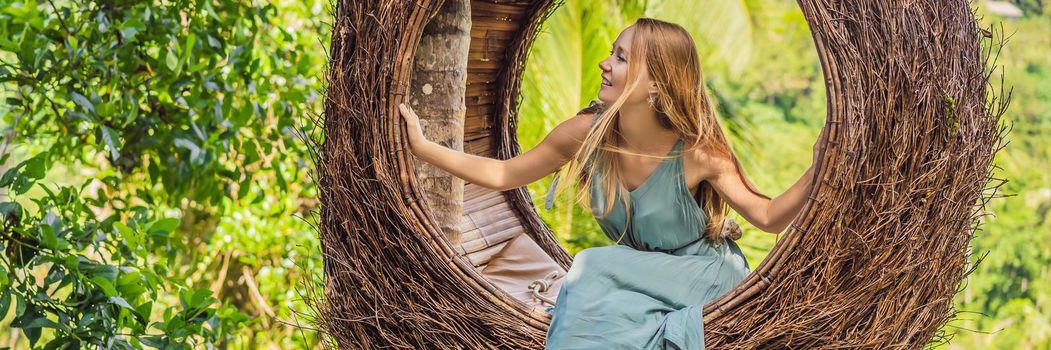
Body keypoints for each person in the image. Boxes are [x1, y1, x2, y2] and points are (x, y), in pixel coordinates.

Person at [398, 17, 827, 350]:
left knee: (592, 267)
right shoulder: (586, 133)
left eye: (621, 58)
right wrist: (424, 148)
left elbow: (769, 218)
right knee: (599, 280)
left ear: (656, 83)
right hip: (634, 277)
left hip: (704, 273)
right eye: (611, 53)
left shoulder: (698, 151)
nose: (606, 63)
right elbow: (505, 174)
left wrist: (818, 167)